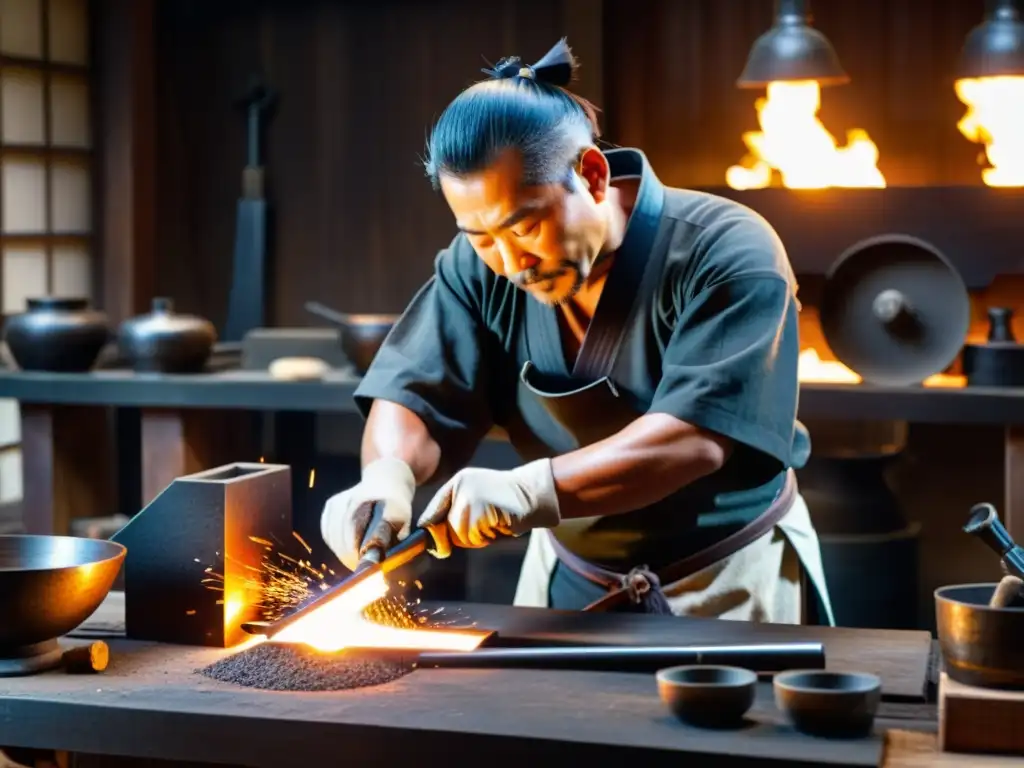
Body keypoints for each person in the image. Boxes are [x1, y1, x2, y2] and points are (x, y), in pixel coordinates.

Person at [320, 38, 834, 624]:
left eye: (526, 225)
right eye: (481, 237)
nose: (512, 263)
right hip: (567, 574)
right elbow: (414, 390)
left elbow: (693, 437)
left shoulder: (727, 250)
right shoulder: (477, 268)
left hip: (725, 578)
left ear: (591, 174)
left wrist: (526, 491)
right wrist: (386, 476)